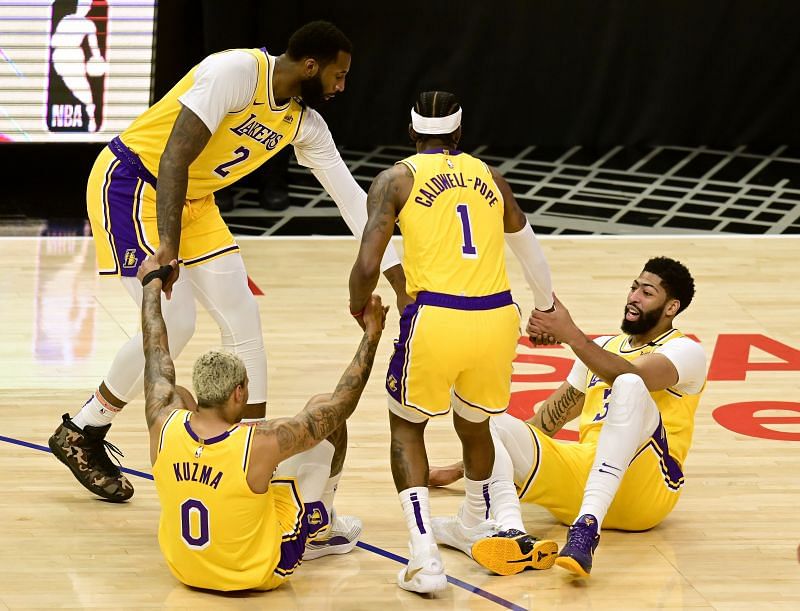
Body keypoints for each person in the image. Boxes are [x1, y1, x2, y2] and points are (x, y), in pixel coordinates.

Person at [48, 20, 408, 502]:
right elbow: (175, 155)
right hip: (133, 185)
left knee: (243, 317)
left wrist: (402, 284)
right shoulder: (236, 71)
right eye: (337, 76)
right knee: (175, 322)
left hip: (194, 202)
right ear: (309, 65)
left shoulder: (304, 123)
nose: (342, 86)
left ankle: (248, 451)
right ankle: (84, 429)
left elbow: (353, 203)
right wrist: (168, 247)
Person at [348, 91, 558, 594]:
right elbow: (529, 246)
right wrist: (547, 306)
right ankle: (480, 523)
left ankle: (423, 559)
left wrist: (360, 306)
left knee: (406, 427)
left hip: (437, 314)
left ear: (411, 131)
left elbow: (367, 264)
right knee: (476, 425)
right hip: (497, 315)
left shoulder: (396, 178)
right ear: (460, 134)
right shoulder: (490, 176)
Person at [430, 257, 707, 578]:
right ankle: (512, 533)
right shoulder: (603, 347)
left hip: (646, 489)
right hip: (583, 475)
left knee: (629, 384)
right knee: (494, 422)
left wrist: (571, 335)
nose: (633, 297)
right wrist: (454, 471)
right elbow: (546, 423)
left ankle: (587, 527)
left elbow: (631, 375)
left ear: (671, 307)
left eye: (647, 292)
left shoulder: (686, 351)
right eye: (634, 287)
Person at [137, 255, 387, 591]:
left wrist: (151, 284)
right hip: (256, 573)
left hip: (185, 570)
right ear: (238, 392)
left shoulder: (162, 421)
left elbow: (155, 349)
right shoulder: (260, 444)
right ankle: (321, 527)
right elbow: (342, 405)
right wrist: (372, 334)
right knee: (325, 413)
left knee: (174, 391)